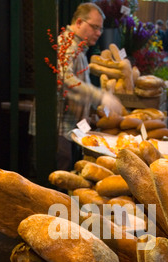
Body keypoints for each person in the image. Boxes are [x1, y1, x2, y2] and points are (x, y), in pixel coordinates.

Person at [29, 3, 122, 171]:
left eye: (100, 29)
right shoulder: (67, 44)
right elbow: (66, 79)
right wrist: (100, 96)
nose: (99, 33)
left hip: (67, 128)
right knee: (58, 181)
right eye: (95, 27)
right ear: (79, 23)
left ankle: (69, 199)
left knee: (66, 177)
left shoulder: (79, 48)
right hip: (56, 128)